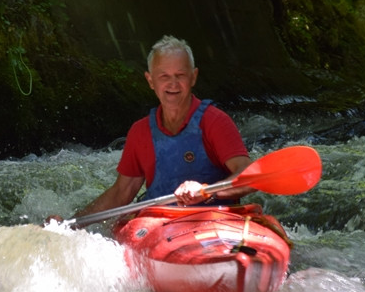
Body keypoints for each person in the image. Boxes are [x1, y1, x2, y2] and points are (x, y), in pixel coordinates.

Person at [73, 35, 253, 220]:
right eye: (164, 76)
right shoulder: (140, 132)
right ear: (151, 81)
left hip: (213, 220)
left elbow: (249, 176)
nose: (173, 83)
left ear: (193, 77)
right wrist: (72, 222)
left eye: (180, 75)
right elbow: (121, 192)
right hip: (160, 225)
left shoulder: (216, 122)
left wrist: (207, 191)